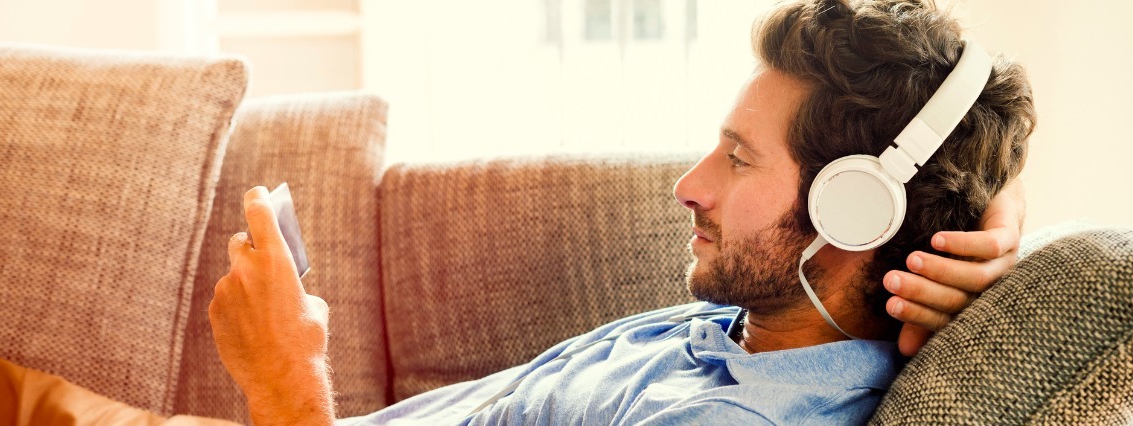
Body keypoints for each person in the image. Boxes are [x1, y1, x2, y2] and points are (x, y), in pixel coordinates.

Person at [207, 0, 1035, 424]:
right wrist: (999, 209)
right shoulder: (750, 327)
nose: (689, 185)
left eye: (739, 158)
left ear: (853, 215)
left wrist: (283, 377)